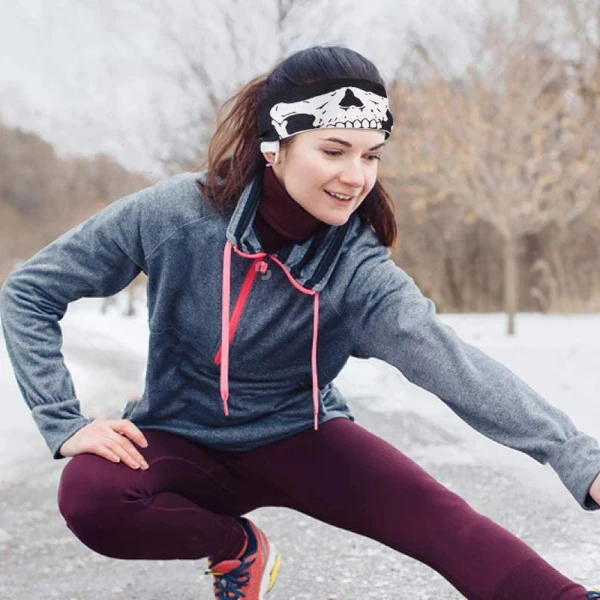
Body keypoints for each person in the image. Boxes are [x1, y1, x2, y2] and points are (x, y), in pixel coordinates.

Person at [1, 45, 599, 600]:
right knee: (92, 496)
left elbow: (454, 367)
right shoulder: (177, 216)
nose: (355, 176)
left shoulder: (357, 271)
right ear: (275, 145)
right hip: (181, 435)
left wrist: (580, 459)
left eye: (370, 155)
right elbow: (30, 291)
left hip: (305, 435)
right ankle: (237, 548)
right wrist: (62, 420)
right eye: (333, 151)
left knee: (442, 519)